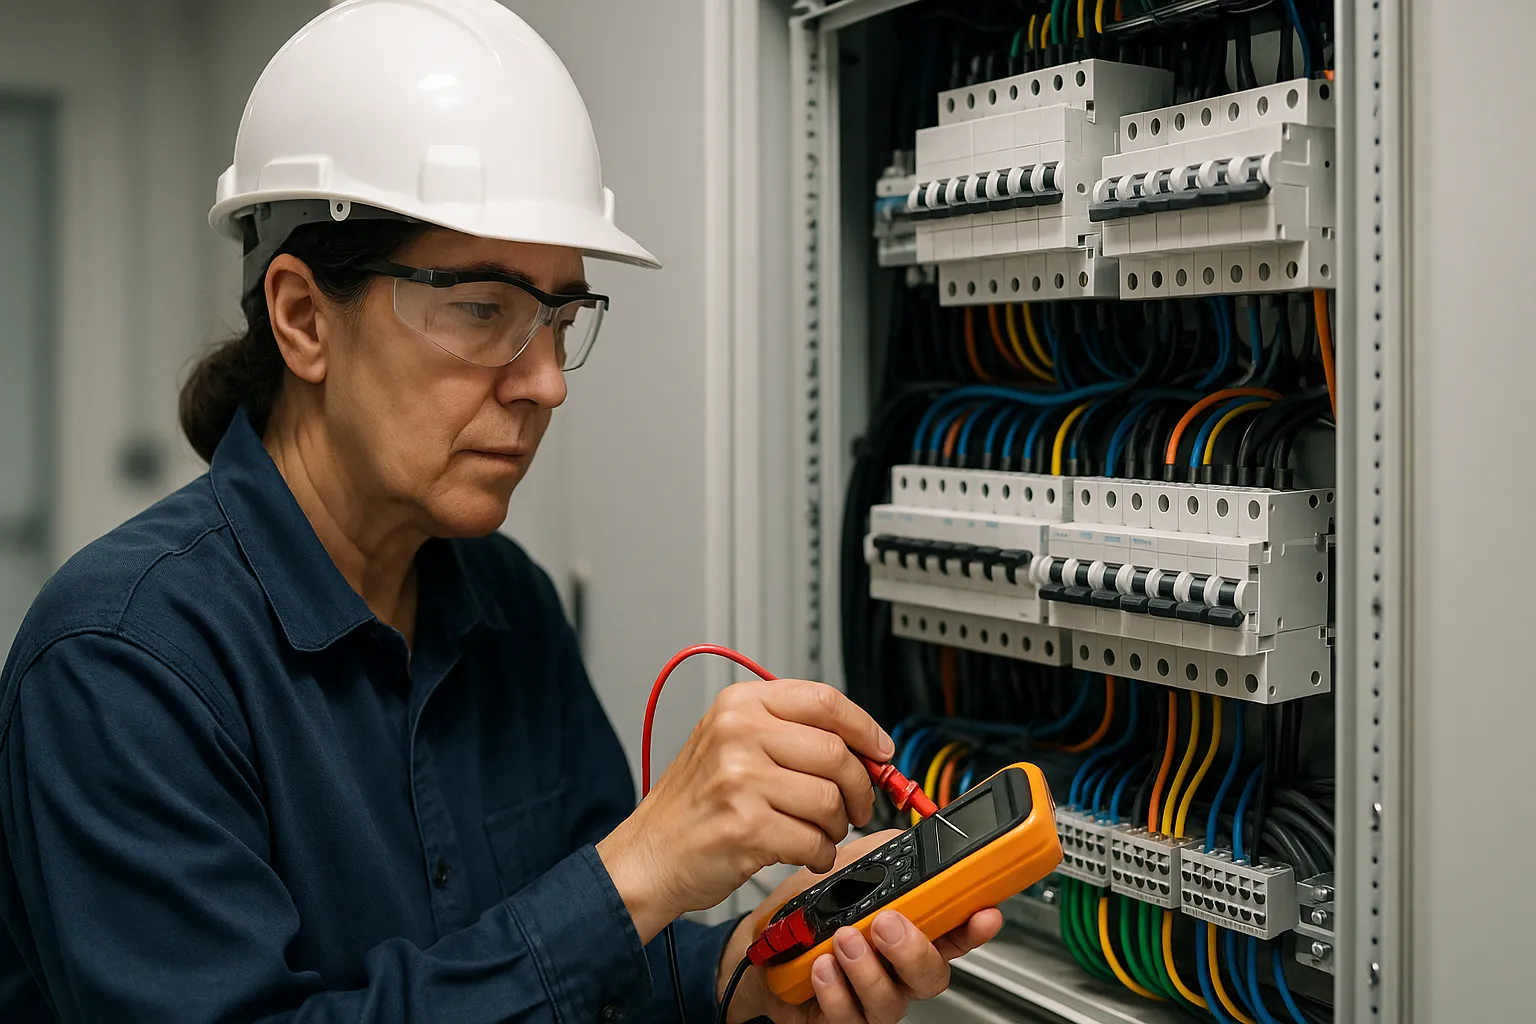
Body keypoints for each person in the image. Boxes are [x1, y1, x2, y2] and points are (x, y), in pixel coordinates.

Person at [0, 2, 1002, 1022]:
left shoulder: (507, 603)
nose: (547, 382)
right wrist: (638, 868)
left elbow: (592, 973)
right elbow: (596, 912)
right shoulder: (119, 663)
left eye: (560, 317)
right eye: (483, 310)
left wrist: (743, 973)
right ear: (303, 319)